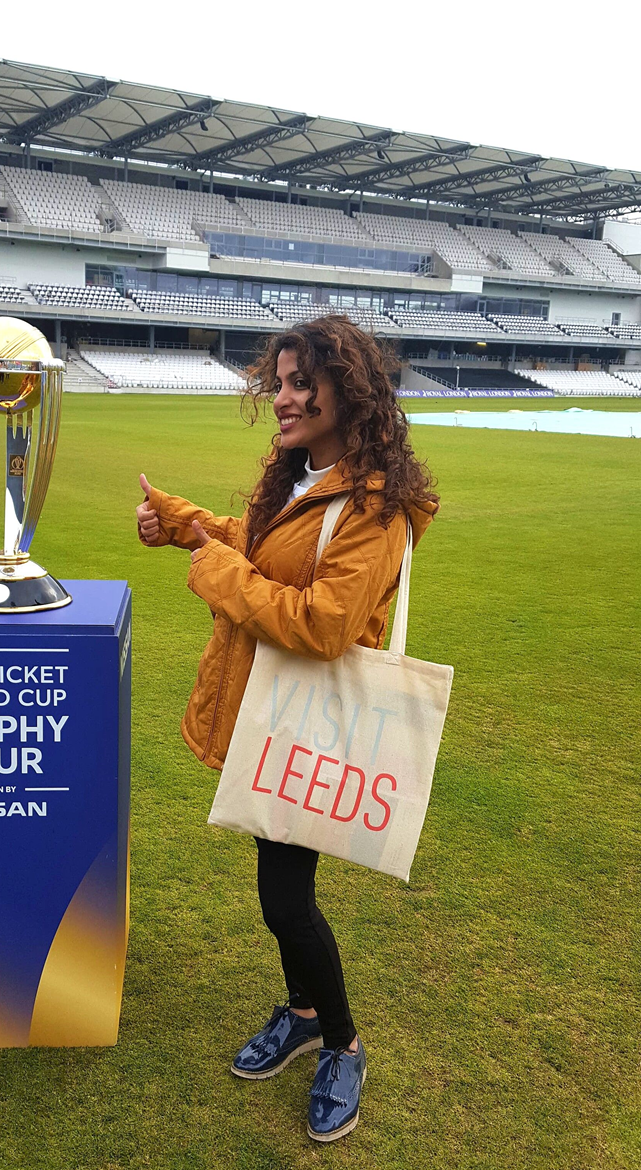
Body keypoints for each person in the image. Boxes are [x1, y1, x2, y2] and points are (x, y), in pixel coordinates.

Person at [135, 315, 439, 1142]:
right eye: (279, 382)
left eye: (303, 383)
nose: (284, 398)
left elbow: (323, 623)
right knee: (281, 891)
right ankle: (305, 1011)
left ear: (352, 391)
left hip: (314, 727)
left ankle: (338, 1038)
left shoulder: (378, 506)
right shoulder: (306, 476)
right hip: (282, 725)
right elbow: (265, 554)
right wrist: (185, 523)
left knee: (285, 898)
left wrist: (218, 570)